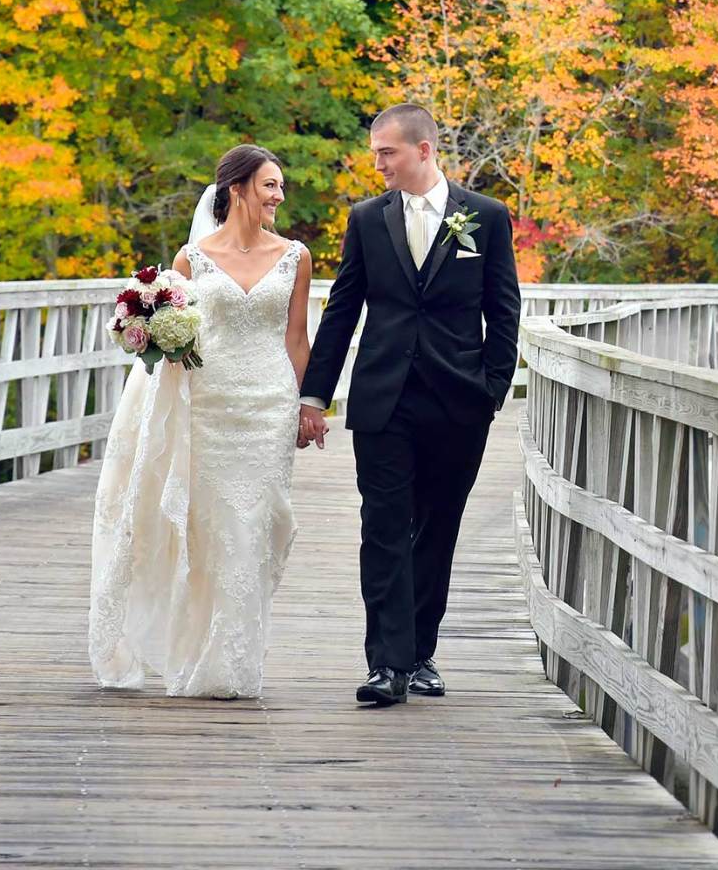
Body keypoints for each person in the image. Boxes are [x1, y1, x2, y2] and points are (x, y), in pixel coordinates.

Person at [298, 104, 521, 706]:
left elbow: (504, 312)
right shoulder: (367, 219)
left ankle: (421, 652)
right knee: (385, 527)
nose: (378, 165)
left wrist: (492, 391)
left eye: (387, 152)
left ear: (423, 150)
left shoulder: (487, 217)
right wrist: (315, 393)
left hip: (459, 403)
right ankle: (387, 666)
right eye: (375, 153)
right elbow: (343, 309)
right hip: (384, 399)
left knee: (437, 529)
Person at [88, 144, 320, 699]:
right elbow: (183, 335)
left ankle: (237, 659)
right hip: (209, 405)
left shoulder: (296, 256)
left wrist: (310, 406)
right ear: (237, 189)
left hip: (267, 404)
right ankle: (201, 657)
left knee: (258, 526)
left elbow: (296, 338)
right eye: (270, 185)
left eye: (281, 186)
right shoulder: (193, 258)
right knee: (210, 532)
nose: (279, 196)